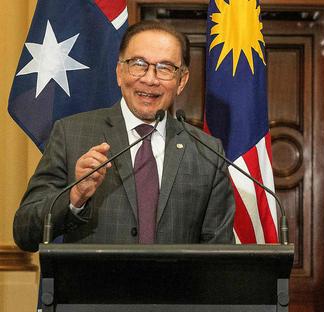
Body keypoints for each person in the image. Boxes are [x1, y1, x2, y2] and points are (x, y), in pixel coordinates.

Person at [14, 21, 235, 251]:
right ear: (120, 72)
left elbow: (219, 252)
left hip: (177, 287)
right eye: (138, 64)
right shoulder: (71, 134)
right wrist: (75, 195)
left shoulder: (206, 151)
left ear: (181, 81)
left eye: (165, 68)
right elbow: (25, 232)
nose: (150, 79)